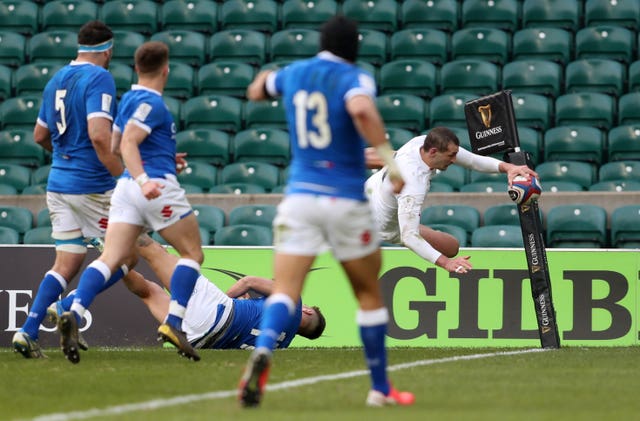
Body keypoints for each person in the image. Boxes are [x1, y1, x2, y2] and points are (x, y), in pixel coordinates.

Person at [237, 16, 415, 408]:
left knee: (284, 291)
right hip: (345, 200)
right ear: (354, 47)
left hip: (300, 198)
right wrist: (392, 162)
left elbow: (256, 90)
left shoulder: (295, 73)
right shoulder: (356, 78)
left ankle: (263, 349)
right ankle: (380, 388)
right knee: (368, 293)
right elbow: (363, 112)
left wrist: (267, 80)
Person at [57, 41, 204, 364]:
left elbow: (113, 142)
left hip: (125, 188)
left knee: (111, 257)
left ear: (137, 68)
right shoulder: (153, 103)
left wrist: (163, 159)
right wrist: (145, 178)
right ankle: (175, 322)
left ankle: (76, 309)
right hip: (151, 185)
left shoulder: (128, 100)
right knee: (193, 253)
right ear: (166, 70)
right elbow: (128, 142)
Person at [12, 20, 138, 359]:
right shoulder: (100, 78)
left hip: (59, 183)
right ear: (108, 50)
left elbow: (40, 136)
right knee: (127, 255)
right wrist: (121, 176)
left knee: (67, 261)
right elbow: (99, 135)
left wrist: (67, 155)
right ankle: (70, 306)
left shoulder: (56, 80)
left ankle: (28, 331)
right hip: (92, 186)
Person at [49, 234, 326, 349]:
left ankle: (110, 232)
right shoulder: (282, 342)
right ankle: (105, 250)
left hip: (218, 312)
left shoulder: (292, 298)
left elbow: (248, 282)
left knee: (155, 251)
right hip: (199, 339)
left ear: (307, 310)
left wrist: (226, 299)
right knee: (147, 292)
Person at [365, 127, 538, 273]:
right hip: (380, 224)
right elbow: (409, 237)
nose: (454, 160)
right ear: (433, 152)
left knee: (451, 247)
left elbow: (471, 160)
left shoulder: (422, 142)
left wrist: (508, 167)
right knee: (440, 247)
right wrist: (447, 263)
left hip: (371, 191)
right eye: (451, 156)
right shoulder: (412, 184)